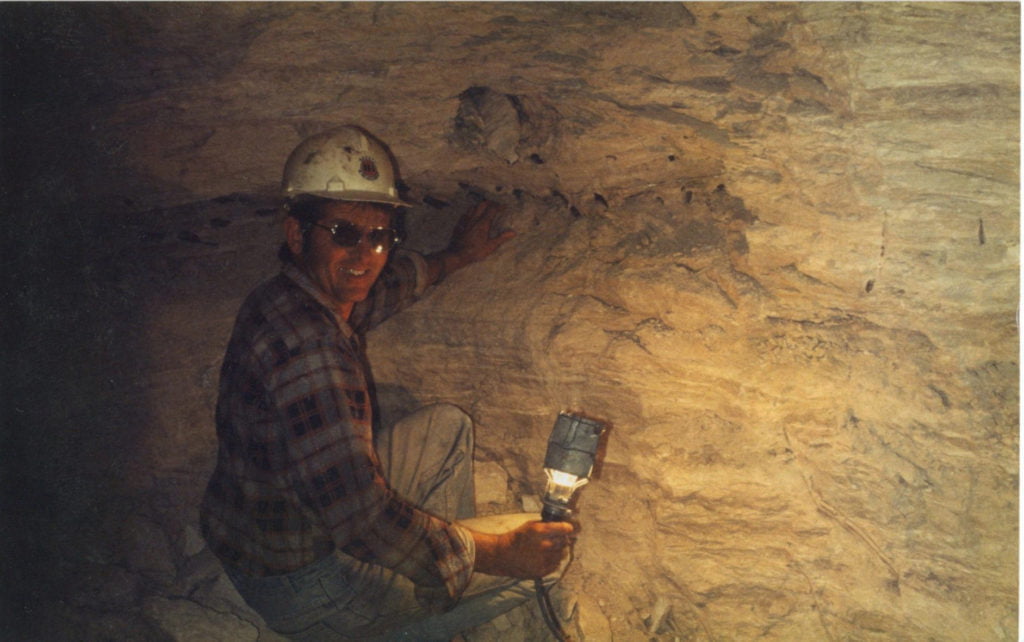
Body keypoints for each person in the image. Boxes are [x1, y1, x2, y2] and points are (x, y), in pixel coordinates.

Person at [199, 125, 575, 641]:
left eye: (379, 236)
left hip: (261, 535)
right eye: (344, 233)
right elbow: (359, 516)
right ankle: (408, 617)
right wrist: (494, 555)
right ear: (296, 234)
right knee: (546, 558)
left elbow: (380, 289)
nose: (365, 254)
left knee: (446, 429)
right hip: (307, 585)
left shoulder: (289, 296)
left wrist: (456, 257)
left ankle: (426, 578)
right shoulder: (314, 354)